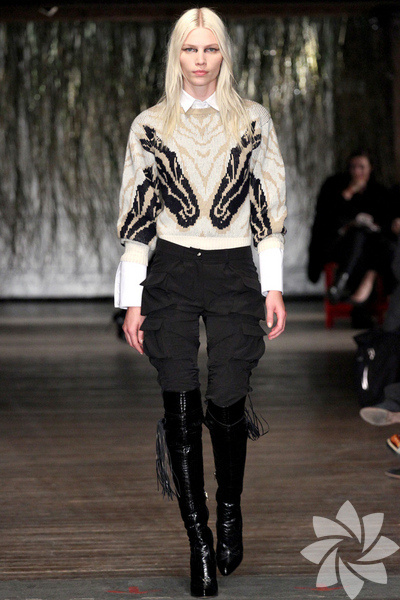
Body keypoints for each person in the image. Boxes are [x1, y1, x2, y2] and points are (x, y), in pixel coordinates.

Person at [114, 7, 287, 597]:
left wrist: (273, 285)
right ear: (176, 55)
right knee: (180, 403)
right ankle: (199, 542)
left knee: (228, 395)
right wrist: (130, 301)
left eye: (211, 49)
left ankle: (230, 505)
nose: (200, 60)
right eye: (190, 49)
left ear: (224, 55)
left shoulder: (253, 120)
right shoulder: (149, 125)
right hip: (170, 269)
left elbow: (268, 204)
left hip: (234, 266)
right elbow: (137, 213)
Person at [308, 150, 395, 327]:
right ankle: (360, 303)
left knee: (367, 243)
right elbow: (325, 219)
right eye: (353, 167)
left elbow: (386, 222)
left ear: (370, 169)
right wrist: (348, 193)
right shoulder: (335, 187)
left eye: (361, 167)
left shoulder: (378, 192)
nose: (357, 172)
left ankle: (343, 283)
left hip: (371, 247)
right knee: (358, 238)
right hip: (340, 245)